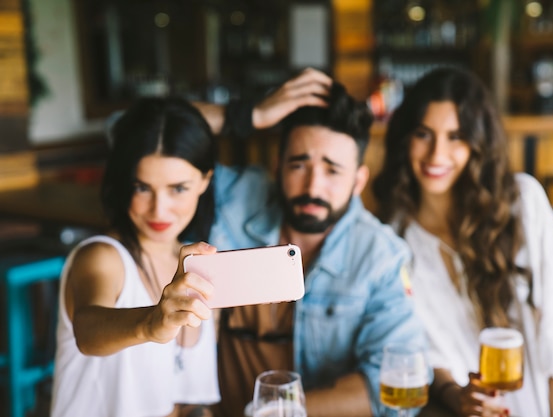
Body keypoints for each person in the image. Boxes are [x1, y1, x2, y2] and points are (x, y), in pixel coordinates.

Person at [372, 66, 553, 417]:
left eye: (456, 136)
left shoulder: (521, 202)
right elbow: (422, 347)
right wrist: (459, 397)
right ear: (405, 139)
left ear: (478, 144)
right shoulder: (393, 238)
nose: (436, 154)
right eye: (423, 134)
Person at [202, 77, 428, 417]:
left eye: (333, 170)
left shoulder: (381, 255)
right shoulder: (236, 197)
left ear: (358, 181)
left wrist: (275, 412)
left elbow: (399, 386)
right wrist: (248, 115)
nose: (313, 186)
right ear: (277, 166)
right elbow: (131, 133)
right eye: (299, 165)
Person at [51, 98, 221, 417]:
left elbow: (189, 402)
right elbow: (87, 331)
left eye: (178, 189)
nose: (159, 210)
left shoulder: (201, 269)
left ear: (205, 181)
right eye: (142, 187)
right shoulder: (102, 258)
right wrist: (149, 325)